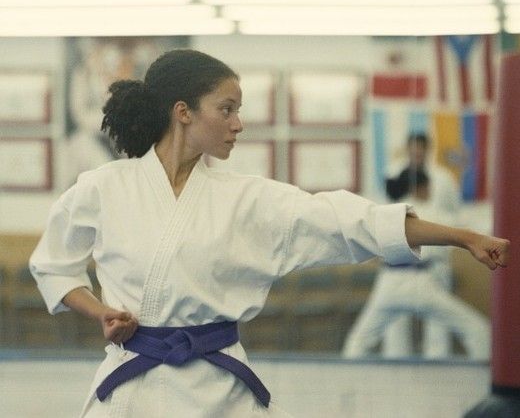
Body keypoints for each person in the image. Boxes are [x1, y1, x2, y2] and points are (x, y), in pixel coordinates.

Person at [29, 49, 509, 418]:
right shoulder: (103, 187)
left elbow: (347, 220)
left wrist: (463, 236)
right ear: (183, 111)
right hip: (131, 391)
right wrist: (102, 312)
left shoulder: (251, 198)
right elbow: (53, 264)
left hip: (220, 391)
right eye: (227, 108)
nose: (239, 124)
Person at [342, 168, 491, 360]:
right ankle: (484, 375)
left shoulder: (386, 211)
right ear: (421, 188)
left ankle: (346, 378)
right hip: (420, 282)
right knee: (476, 329)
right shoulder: (432, 212)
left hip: (388, 282)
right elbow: (474, 227)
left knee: (361, 340)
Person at [384, 133, 463, 358]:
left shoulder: (443, 178)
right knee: (396, 320)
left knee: (438, 319)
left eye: (421, 149)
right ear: (407, 149)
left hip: (434, 261)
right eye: (413, 149)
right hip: (400, 260)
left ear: (428, 150)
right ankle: (395, 360)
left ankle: (437, 361)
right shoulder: (394, 174)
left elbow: (453, 214)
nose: (417, 153)